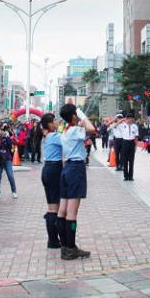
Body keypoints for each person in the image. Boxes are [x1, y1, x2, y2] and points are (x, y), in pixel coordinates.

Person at [57, 104, 95, 260]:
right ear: (74, 115)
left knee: (62, 210)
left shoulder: (65, 130)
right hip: (76, 169)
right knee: (72, 212)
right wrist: (82, 115)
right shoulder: (75, 130)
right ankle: (71, 248)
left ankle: (65, 247)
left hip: (67, 169)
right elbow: (91, 129)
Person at [39, 113, 62, 249]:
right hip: (54, 170)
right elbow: (68, 140)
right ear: (49, 124)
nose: (57, 122)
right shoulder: (53, 136)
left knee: (53, 207)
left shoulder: (46, 135)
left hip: (49, 169)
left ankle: (53, 239)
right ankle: (53, 241)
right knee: (53, 208)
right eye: (54, 120)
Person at [0, 126, 18, 199]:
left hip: (7, 159)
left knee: (10, 175)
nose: (2, 132)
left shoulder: (7, 138)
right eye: (0, 130)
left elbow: (11, 147)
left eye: (3, 130)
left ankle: (14, 191)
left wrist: (7, 138)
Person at [122, 113, 138, 181]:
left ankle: (131, 176)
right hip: (125, 142)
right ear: (126, 118)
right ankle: (126, 176)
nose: (130, 120)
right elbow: (114, 126)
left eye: (131, 118)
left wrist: (136, 146)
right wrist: (122, 120)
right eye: (128, 118)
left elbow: (136, 137)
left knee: (131, 161)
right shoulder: (123, 125)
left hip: (132, 143)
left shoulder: (135, 126)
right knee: (125, 161)